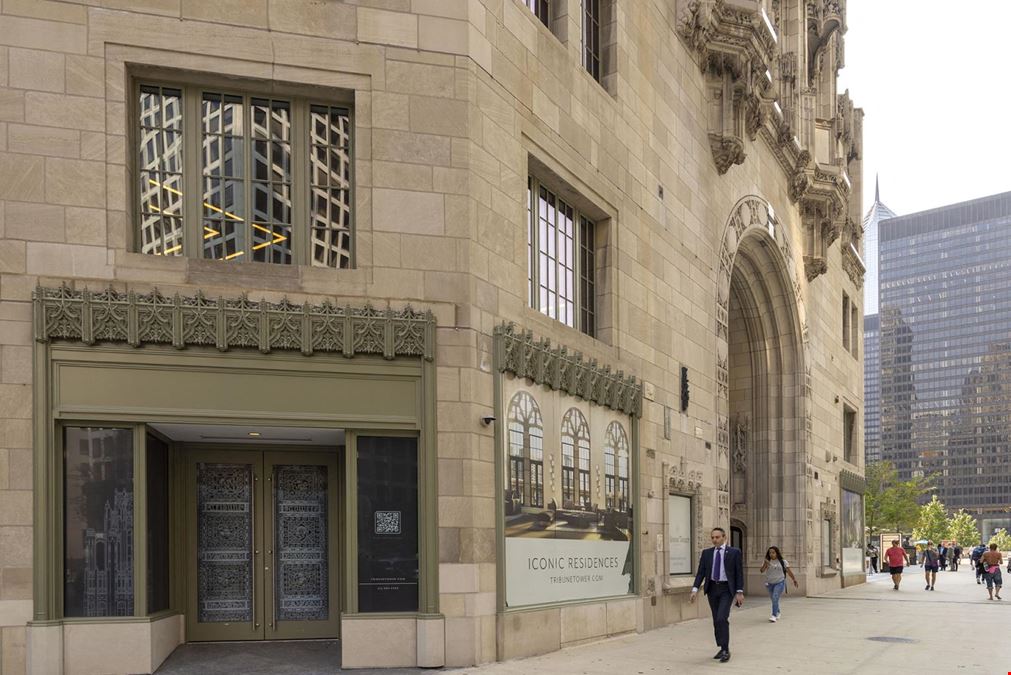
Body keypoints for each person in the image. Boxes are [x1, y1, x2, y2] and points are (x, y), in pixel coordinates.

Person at [690, 527, 744, 663]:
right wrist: (695, 589)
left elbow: (739, 573)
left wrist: (739, 592)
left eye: (717, 537)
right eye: (713, 537)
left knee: (721, 618)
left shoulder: (734, 552)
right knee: (716, 620)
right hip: (712, 589)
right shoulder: (707, 553)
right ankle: (722, 646)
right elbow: (701, 572)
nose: (714, 540)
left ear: (724, 537)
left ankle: (726, 650)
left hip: (727, 589)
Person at [760, 546, 798, 622]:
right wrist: (765, 564)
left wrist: (794, 579)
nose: (771, 554)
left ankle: (773, 615)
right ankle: (778, 612)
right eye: (770, 552)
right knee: (774, 600)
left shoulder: (783, 561)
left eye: (773, 552)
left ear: (777, 553)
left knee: (775, 597)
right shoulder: (767, 561)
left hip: (780, 582)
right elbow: (761, 571)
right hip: (770, 583)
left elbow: (789, 571)